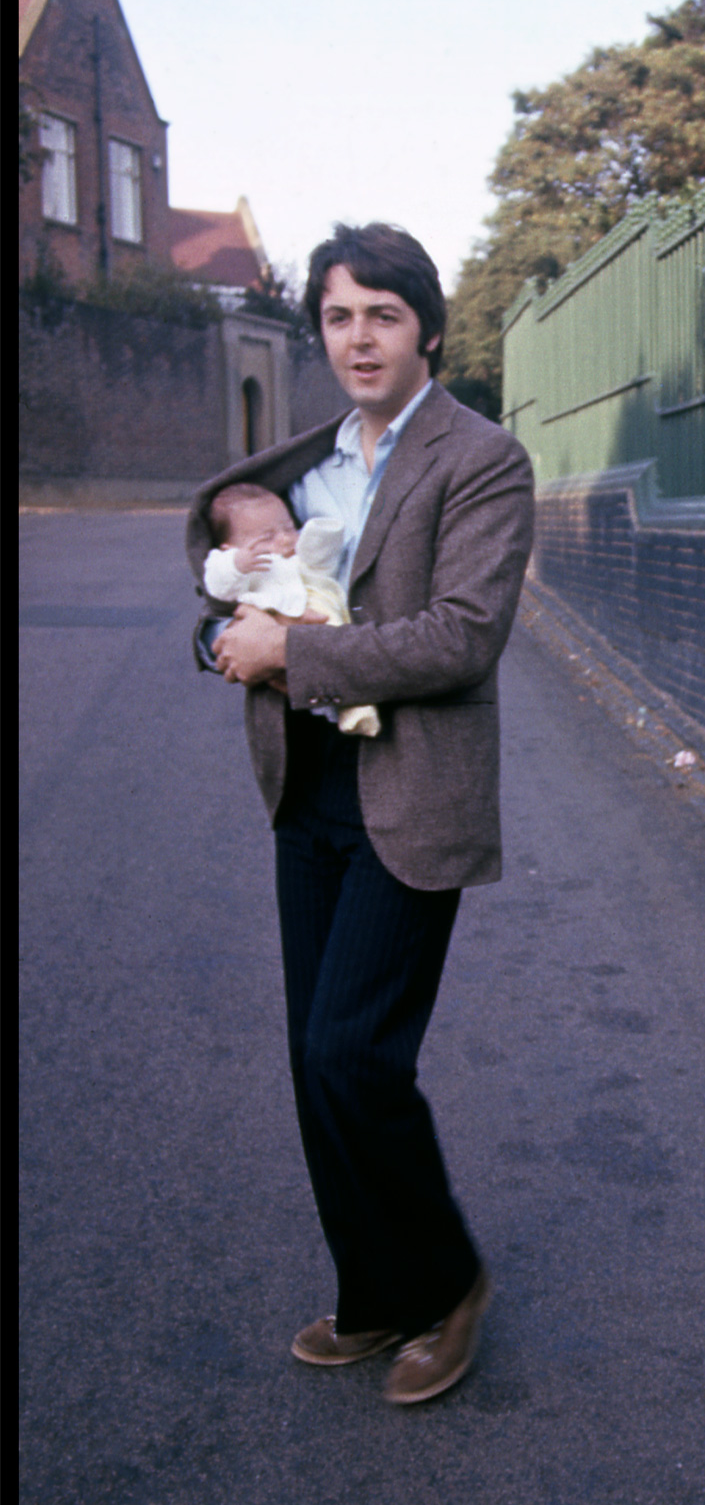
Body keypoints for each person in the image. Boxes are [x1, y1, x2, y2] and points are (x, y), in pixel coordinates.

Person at [186, 222, 535, 1405]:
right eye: (338, 316)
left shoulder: (481, 458)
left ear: (425, 327)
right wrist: (225, 636)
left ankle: (449, 1281)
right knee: (309, 1059)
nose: (358, 337)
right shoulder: (305, 463)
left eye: (382, 314)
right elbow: (241, 581)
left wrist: (298, 650)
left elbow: (462, 634)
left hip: (415, 796)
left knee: (355, 1051)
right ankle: (378, 1289)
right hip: (309, 794)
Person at [202, 483, 380, 736]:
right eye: (267, 537)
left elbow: (319, 565)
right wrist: (236, 564)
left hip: (321, 612)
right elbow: (216, 583)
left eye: (288, 528)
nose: (285, 539)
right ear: (231, 548)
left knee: (336, 651)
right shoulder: (245, 566)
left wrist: (321, 538)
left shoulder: (294, 558)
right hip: (271, 622)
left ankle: (355, 706)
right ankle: (351, 707)